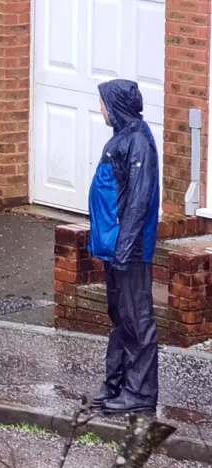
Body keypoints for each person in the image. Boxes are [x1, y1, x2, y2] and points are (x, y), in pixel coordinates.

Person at [87, 79, 160, 415]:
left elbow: (139, 202)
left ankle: (140, 393)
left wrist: (124, 249)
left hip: (128, 251)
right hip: (115, 249)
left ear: (114, 105)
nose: (100, 108)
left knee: (136, 319)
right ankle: (116, 384)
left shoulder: (138, 143)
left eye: (103, 103)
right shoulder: (123, 138)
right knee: (121, 319)